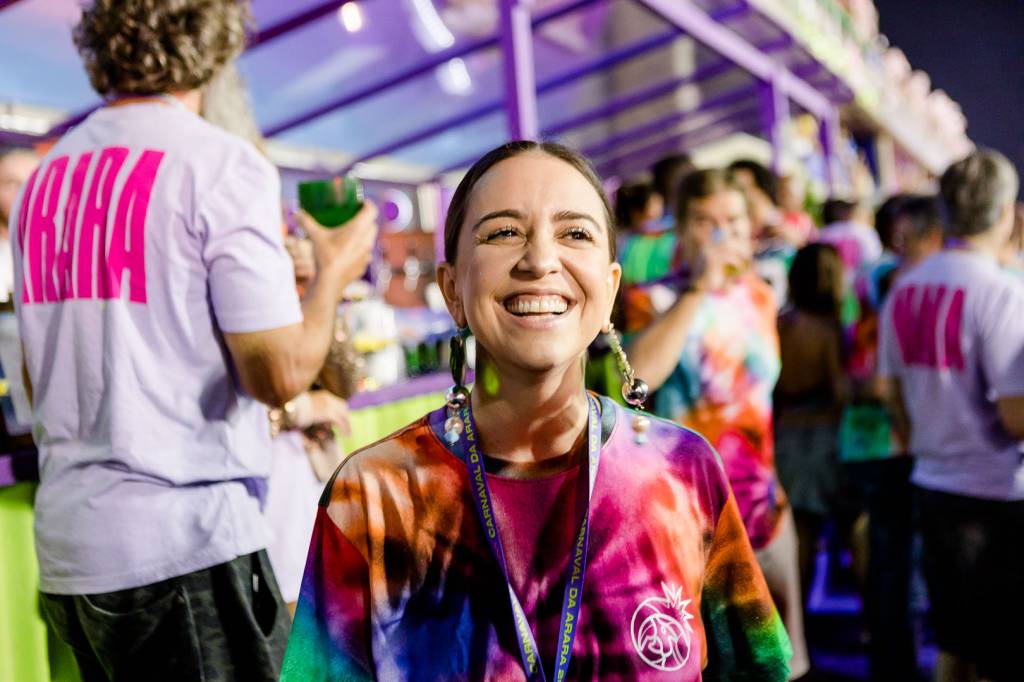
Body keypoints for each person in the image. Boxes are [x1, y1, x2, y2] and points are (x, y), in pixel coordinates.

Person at [281, 142, 792, 681]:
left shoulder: (682, 470)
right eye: (503, 232)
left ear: (610, 287)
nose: (541, 261)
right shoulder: (374, 495)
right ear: (453, 289)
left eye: (575, 234)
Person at [9, 1, 378, 679]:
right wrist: (335, 271)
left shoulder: (45, 181)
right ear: (215, 42)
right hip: (183, 547)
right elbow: (278, 374)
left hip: (70, 553)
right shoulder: (219, 165)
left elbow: (37, 382)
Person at [627, 169, 810, 679]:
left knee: (784, 662)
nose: (719, 233)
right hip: (690, 518)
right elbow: (636, 375)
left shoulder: (760, 295)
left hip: (764, 506)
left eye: (731, 220)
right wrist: (697, 291)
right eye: (704, 221)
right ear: (680, 229)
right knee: (707, 667)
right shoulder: (655, 299)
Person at [878, 149, 1024, 682]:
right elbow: (1016, 417)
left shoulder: (906, 286)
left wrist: (920, 435)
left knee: (954, 642)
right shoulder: (1004, 292)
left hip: (932, 481)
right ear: (1007, 210)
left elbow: (886, 385)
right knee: (1000, 649)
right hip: (995, 495)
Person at [773, 243, 848, 607]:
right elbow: (839, 390)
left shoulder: (780, 323)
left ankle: (794, 617)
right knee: (822, 528)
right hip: (821, 435)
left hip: (784, 432)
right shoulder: (826, 329)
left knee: (796, 529)